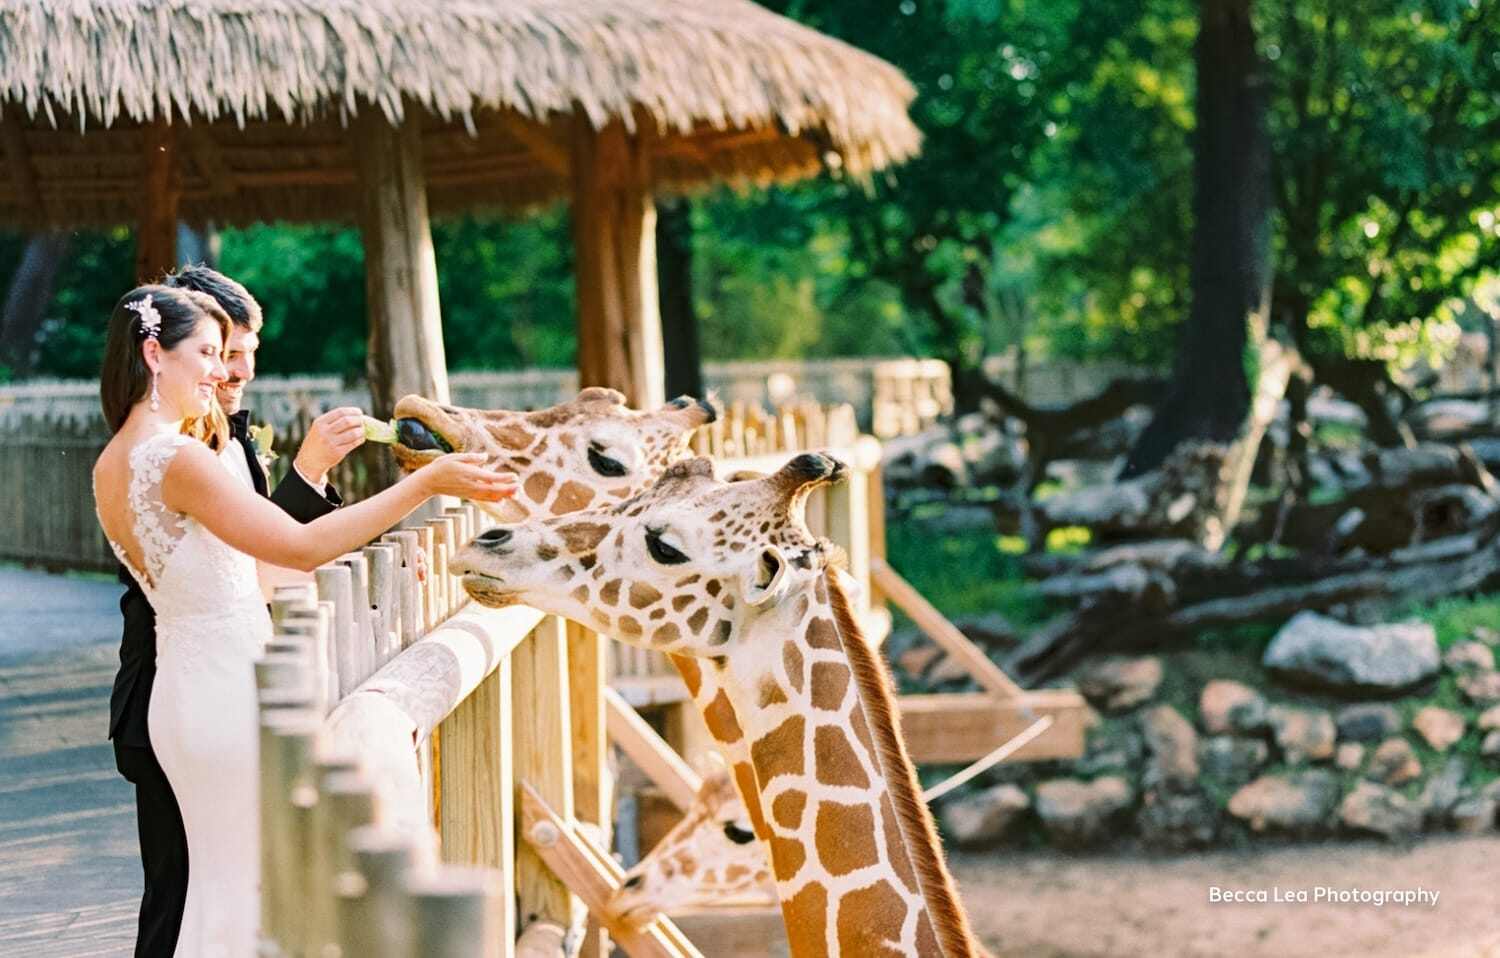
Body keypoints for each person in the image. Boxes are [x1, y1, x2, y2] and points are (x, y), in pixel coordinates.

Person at [93, 284, 515, 957]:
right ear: (154, 354)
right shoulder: (177, 458)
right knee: (245, 893)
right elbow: (299, 545)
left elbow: (250, 576)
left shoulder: (114, 461)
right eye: (206, 352)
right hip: (224, 688)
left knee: (220, 892)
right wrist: (425, 486)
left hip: (188, 688)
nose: (218, 370)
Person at [106, 265, 360, 956]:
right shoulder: (171, 449)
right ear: (172, 347)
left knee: (221, 894)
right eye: (225, 350)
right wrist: (306, 477)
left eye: (245, 353)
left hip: (218, 681)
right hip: (184, 684)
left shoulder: (206, 434)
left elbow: (252, 556)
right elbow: (256, 551)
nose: (238, 370)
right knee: (183, 899)